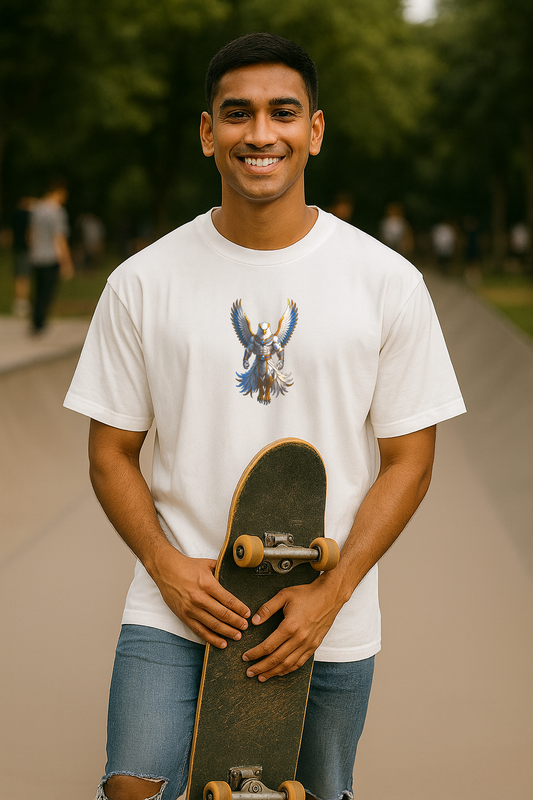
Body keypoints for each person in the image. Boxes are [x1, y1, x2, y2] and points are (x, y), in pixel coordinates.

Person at [64, 33, 465, 800]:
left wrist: (332, 593)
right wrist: (164, 566)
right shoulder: (141, 282)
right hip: (178, 602)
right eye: (237, 113)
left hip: (322, 612)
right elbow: (109, 452)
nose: (260, 133)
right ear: (208, 131)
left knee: (311, 792)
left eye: (283, 113)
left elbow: (409, 457)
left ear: (313, 129)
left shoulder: (385, 281)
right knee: (129, 788)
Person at [28, 177, 74, 333]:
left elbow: (31, 233)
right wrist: (66, 262)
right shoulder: (57, 212)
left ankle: (35, 320)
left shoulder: (37, 208)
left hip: (36, 256)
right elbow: (59, 239)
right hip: (50, 257)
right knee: (47, 291)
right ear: (58, 192)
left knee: (37, 290)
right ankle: (40, 323)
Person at [11, 196, 35, 317]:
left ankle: (19, 301)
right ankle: (22, 302)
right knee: (24, 276)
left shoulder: (15, 216)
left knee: (19, 275)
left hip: (17, 248)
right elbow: (29, 233)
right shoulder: (27, 217)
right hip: (25, 249)